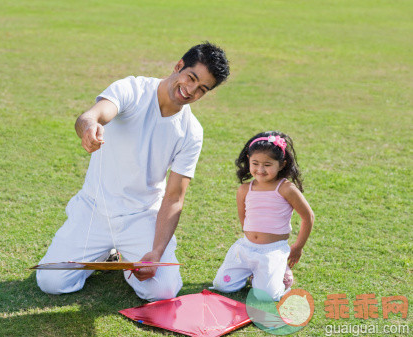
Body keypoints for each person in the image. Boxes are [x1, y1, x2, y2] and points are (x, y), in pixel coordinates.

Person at [36, 42, 230, 301]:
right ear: (178, 66)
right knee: (50, 281)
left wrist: (156, 252)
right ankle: (104, 254)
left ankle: (128, 259)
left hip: (141, 216)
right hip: (95, 207)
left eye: (202, 89)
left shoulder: (192, 131)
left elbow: (174, 197)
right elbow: (92, 115)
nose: (191, 90)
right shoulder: (132, 89)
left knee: (163, 291)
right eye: (191, 78)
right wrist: (88, 128)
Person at [212, 131, 314, 301]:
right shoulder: (244, 189)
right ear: (248, 160)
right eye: (255, 163)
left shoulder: (286, 188)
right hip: (245, 248)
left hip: (272, 251)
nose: (260, 169)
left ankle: (280, 272)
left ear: (281, 165)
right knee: (222, 285)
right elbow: (243, 217)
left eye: (267, 164)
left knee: (266, 296)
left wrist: (297, 247)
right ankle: (255, 273)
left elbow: (308, 217)